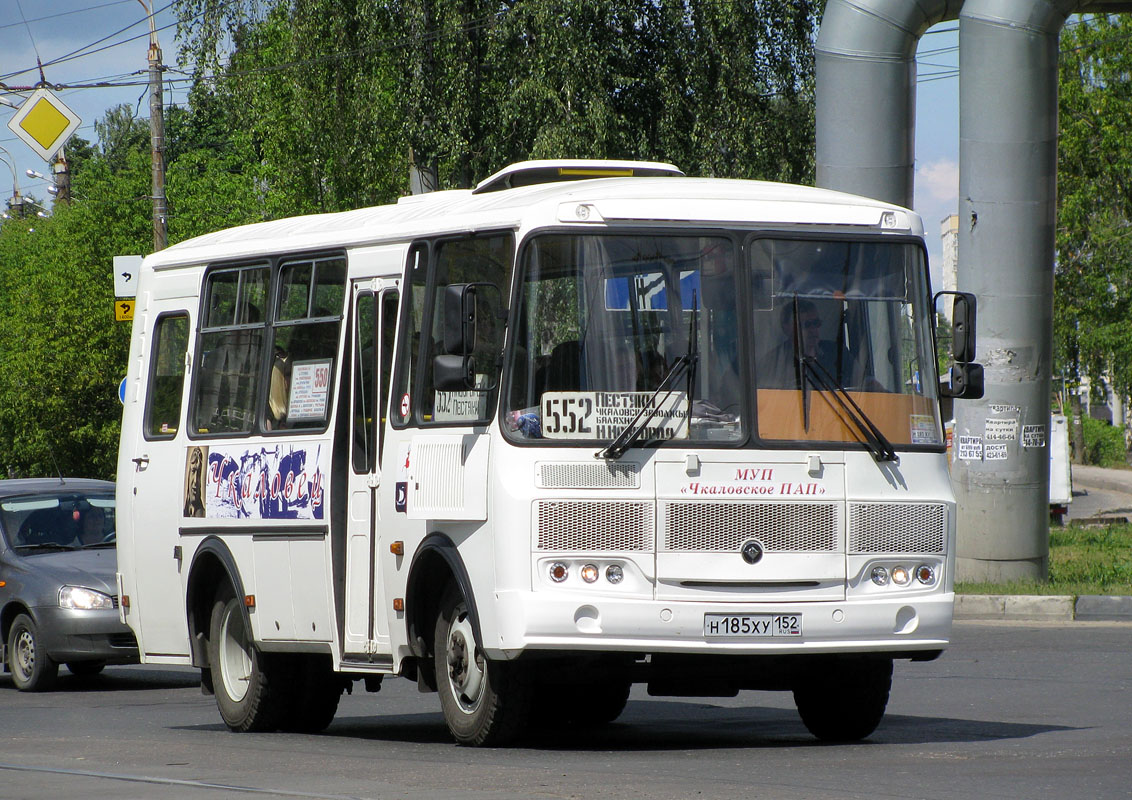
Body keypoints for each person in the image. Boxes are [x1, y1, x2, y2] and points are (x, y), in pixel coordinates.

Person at [763, 299, 861, 389]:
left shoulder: (838, 353)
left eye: (816, 323)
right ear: (787, 328)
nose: (813, 330)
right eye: (807, 325)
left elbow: (863, 381)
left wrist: (870, 382)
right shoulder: (774, 362)